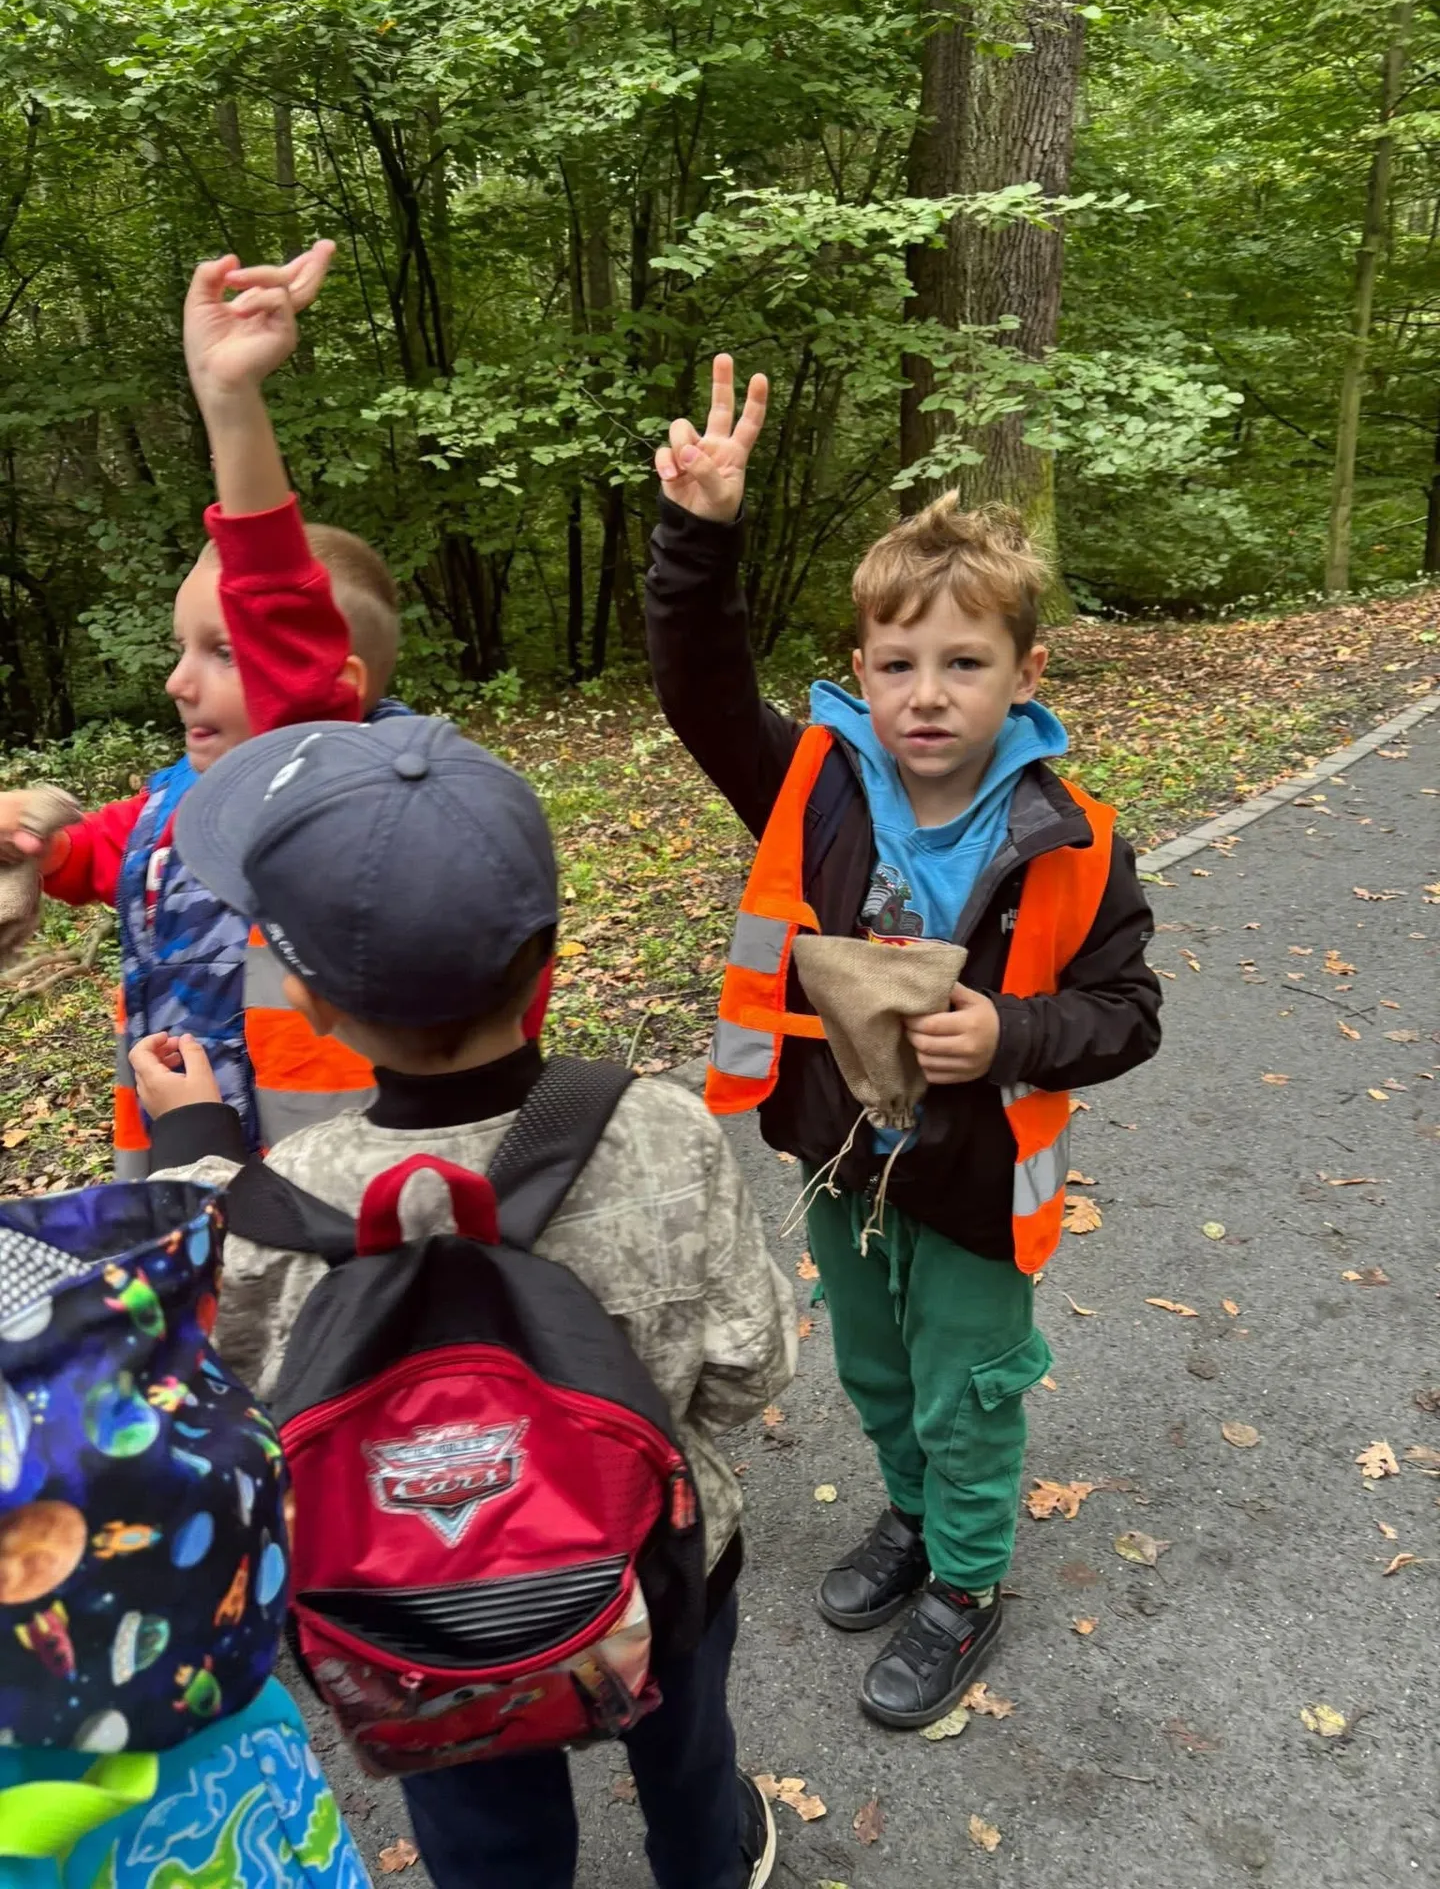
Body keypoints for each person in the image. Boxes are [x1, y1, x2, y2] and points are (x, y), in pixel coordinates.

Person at [130, 712, 796, 1889]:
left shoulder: (281, 1197)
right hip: (659, 1568)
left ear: (313, 1003)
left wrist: (193, 1146)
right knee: (688, 1757)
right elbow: (750, 1372)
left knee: (485, 1823)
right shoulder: (662, 1133)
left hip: (414, 1614)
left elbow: (221, 1389)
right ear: (548, 961)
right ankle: (705, 1860)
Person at [643, 356, 1163, 1729]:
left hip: (977, 1184)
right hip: (841, 1160)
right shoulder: (812, 786)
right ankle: (915, 1516)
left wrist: (1011, 1031)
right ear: (863, 668)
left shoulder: (1074, 840)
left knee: (968, 1391)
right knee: (877, 1372)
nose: (926, 695)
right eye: (897, 664)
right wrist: (699, 533)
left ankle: (967, 1580)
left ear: (1026, 672)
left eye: (964, 663)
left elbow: (1128, 1012)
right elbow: (700, 690)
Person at [0, 243, 544, 1175]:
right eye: (182, 649)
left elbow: (276, 602)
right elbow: (106, 858)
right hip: (188, 1160)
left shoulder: (354, 800)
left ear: (335, 685)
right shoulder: (176, 799)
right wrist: (36, 843)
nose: (179, 682)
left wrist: (229, 400)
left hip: (332, 1181)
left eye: (225, 652)